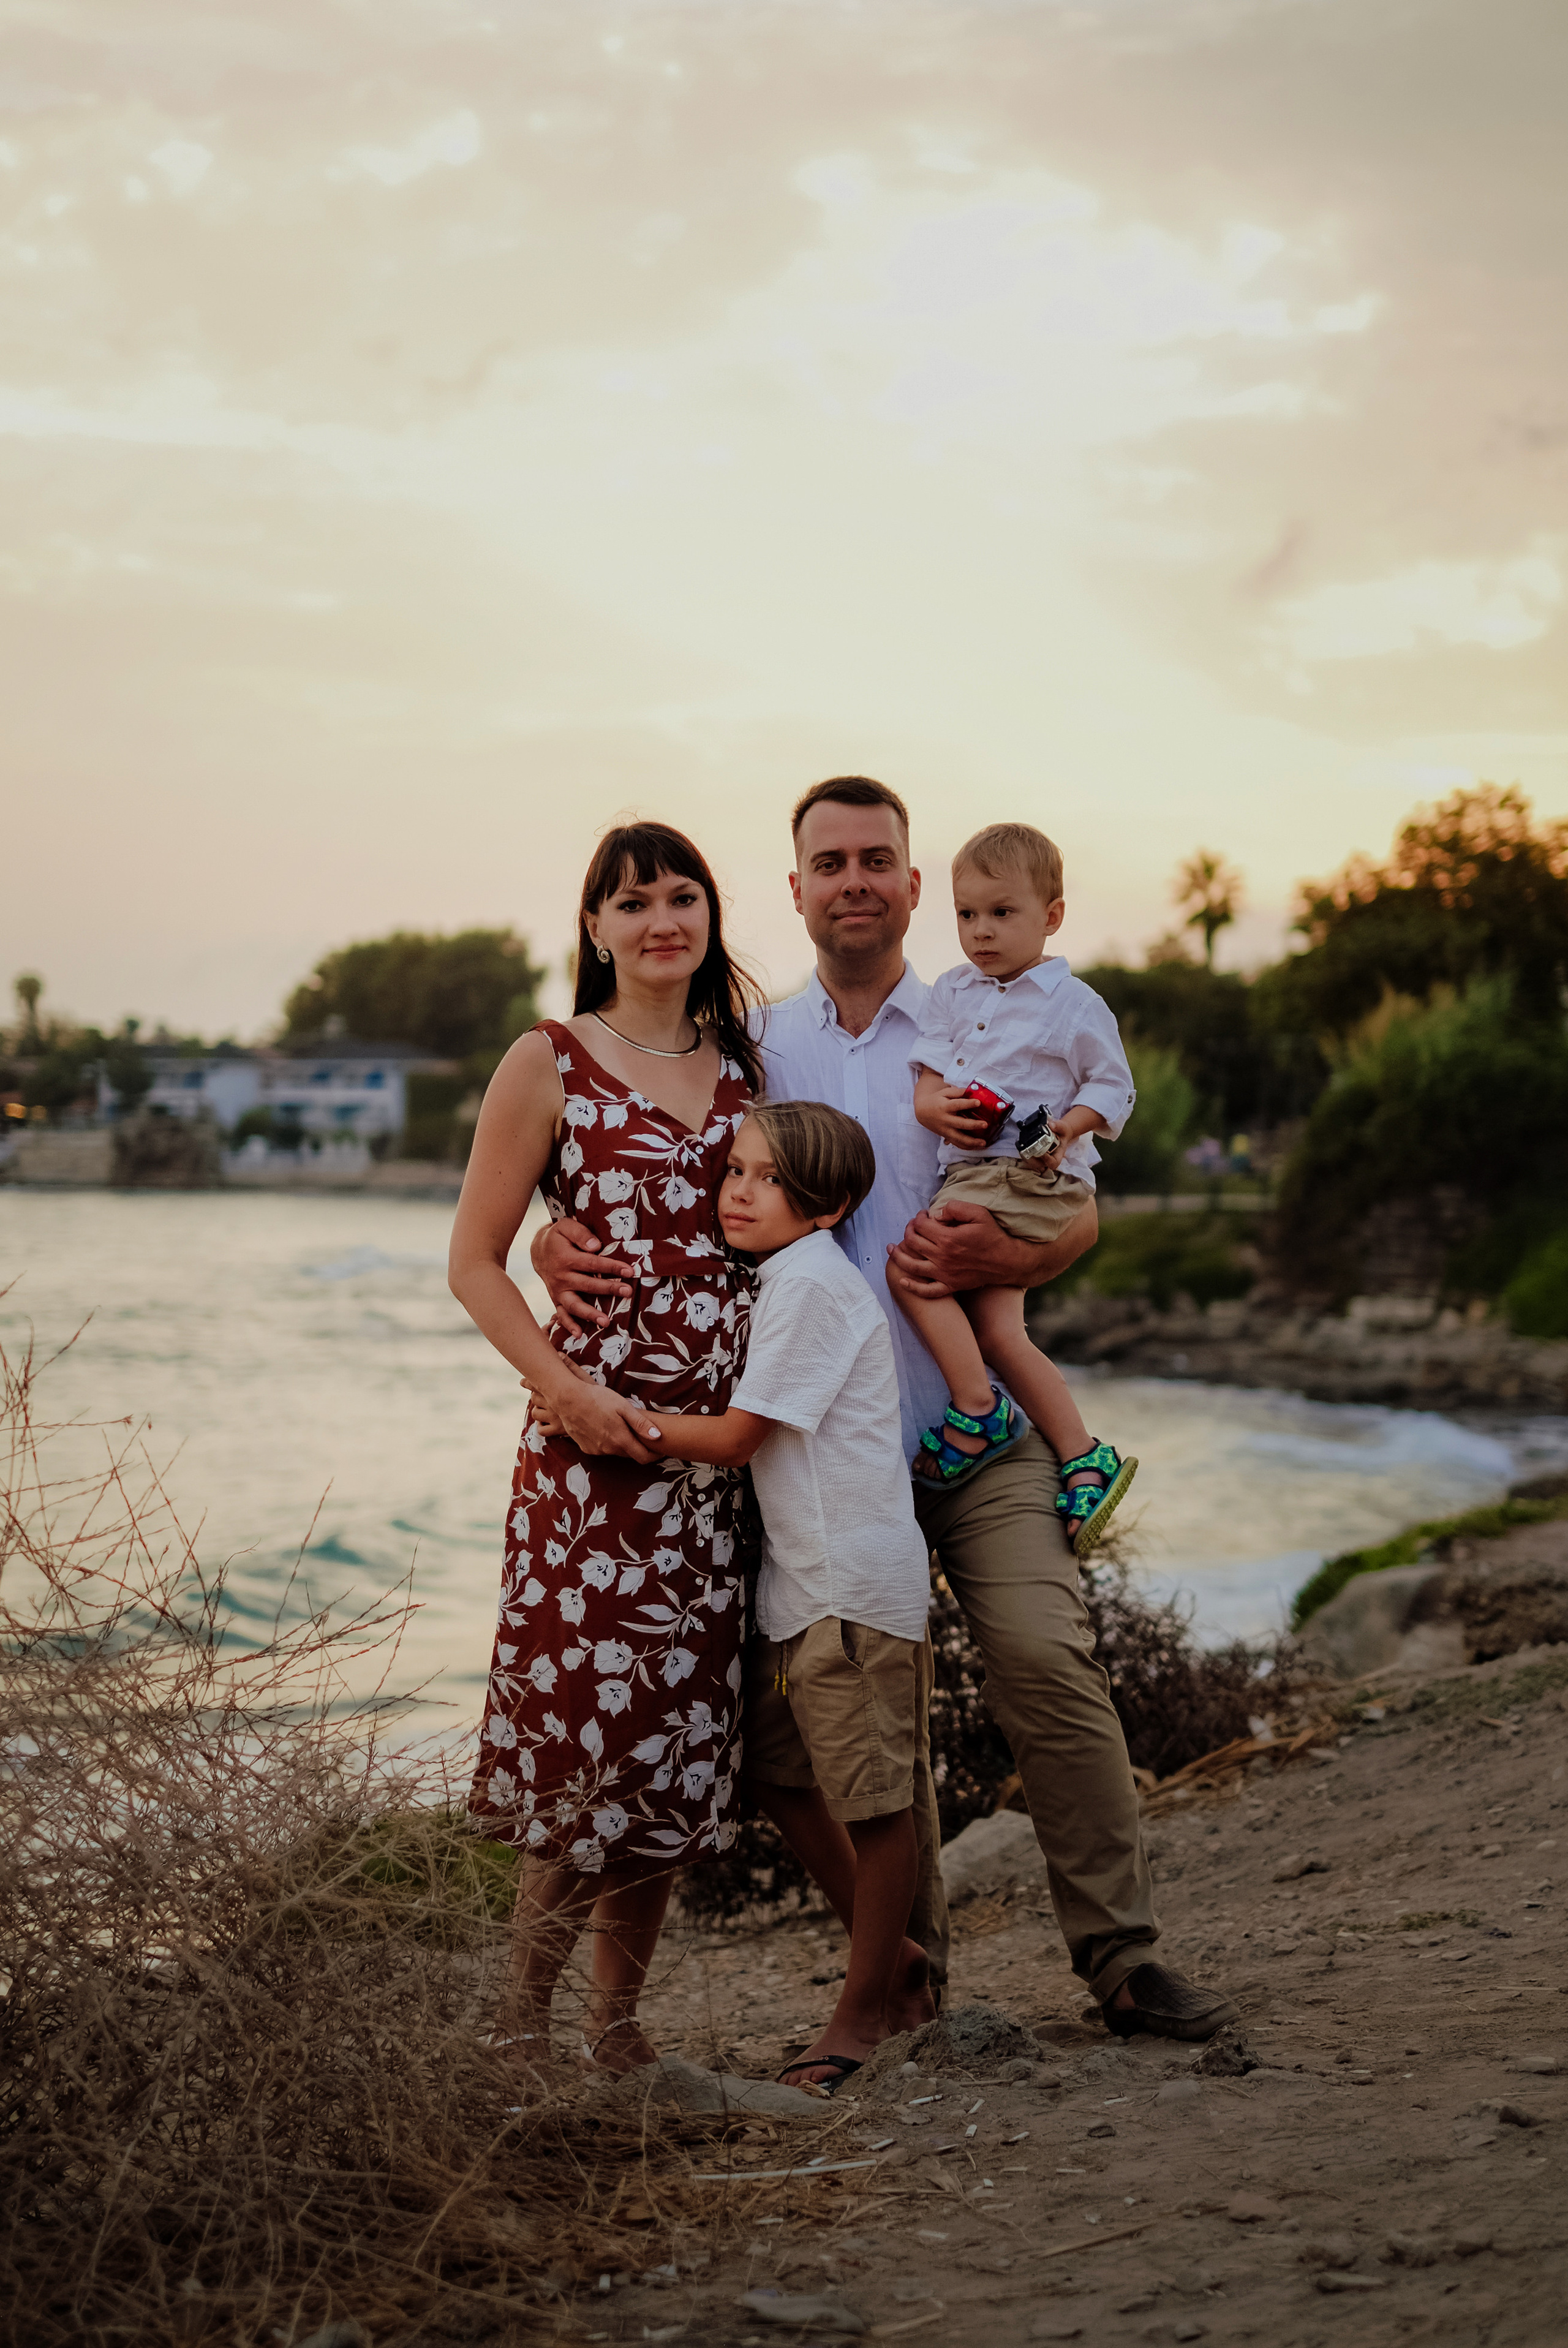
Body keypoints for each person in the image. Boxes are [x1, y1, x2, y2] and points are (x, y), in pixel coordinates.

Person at [535, 778, 1237, 2043]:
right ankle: (909, 1976)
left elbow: (1068, 1202)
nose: (853, 878)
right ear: (794, 889)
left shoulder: (987, 1016)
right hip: (812, 1458)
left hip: (970, 1434)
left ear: (913, 886)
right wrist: (551, 1237)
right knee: (828, 1736)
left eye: (876, 859)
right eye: (827, 861)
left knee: (1044, 1660)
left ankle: (1122, 1961)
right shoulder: (755, 1048)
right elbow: (659, 1183)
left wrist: (1029, 1250)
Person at [449, 820, 762, 2077]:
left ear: (709, 913)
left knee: (671, 1745)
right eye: (630, 901)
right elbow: (474, 1257)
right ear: (593, 928)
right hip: (590, 1468)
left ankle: (616, 2029)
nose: (659, 919)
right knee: (585, 1747)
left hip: (718, 1465)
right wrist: (563, 1387)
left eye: (681, 894)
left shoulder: (749, 1065)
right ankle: (521, 2030)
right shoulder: (549, 1061)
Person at [544, 1099, 936, 2094]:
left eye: (768, 1178)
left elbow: (737, 1437)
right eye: (736, 1171)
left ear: (830, 1202)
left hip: (852, 1586)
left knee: (877, 1802)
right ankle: (893, 1963)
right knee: (778, 1773)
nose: (740, 1191)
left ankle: (866, 2012)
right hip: (801, 1588)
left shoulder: (809, 1283)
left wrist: (603, 1416)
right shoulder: (780, 1277)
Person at [899, 820, 1139, 1557]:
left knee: (913, 1266)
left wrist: (1067, 1128)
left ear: (1051, 915)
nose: (981, 931)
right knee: (1000, 1331)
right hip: (974, 1169)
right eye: (966, 914)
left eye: (1002, 913)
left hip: (1029, 1175)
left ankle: (978, 1408)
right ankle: (1081, 1454)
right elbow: (929, 1073)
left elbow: (1115, 1085)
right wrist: (933, 1106)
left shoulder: (1071, 1002)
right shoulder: (950, 990)